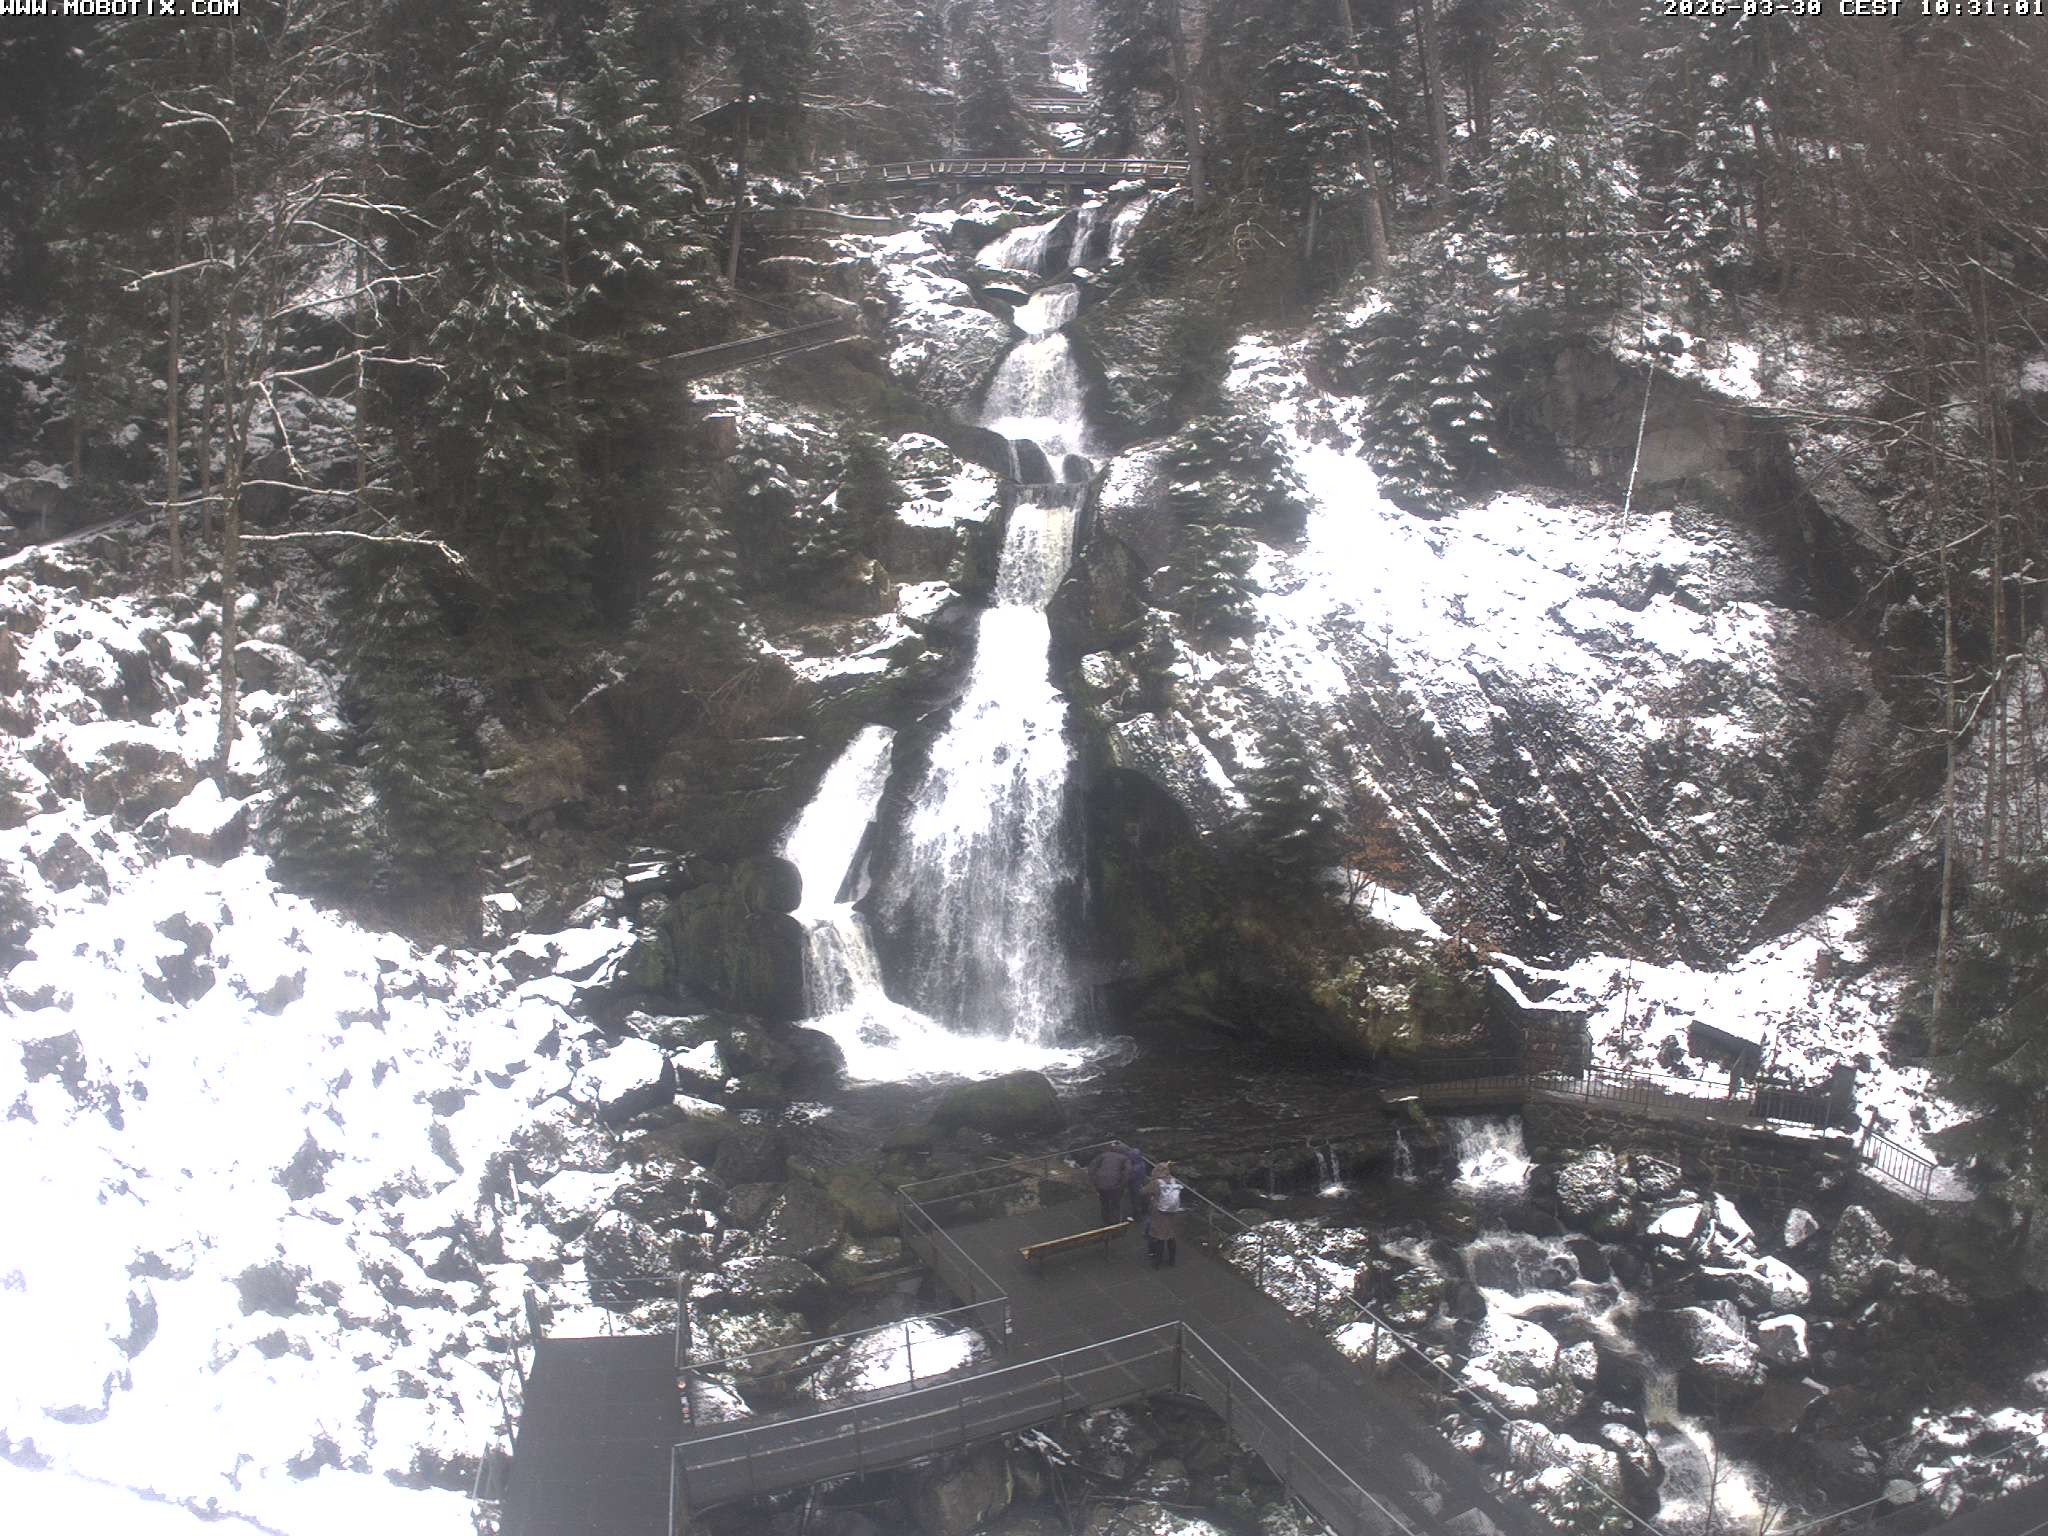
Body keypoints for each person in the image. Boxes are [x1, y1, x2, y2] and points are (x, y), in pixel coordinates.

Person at [1142, 1161, 1184, 1268]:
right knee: (1171, 1236)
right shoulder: (1174, 1180)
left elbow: (1143, 1191)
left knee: (1159, 1237)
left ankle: (1157, 1262)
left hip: (1159, 1213)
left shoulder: (1156, 1183)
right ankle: (1172, 1261)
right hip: (1173, 1212)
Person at [1087, 1142, 1132, 1226]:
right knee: (1115, 1204)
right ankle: (1115, 1223)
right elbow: (1127, 1173)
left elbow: (1092, 1167)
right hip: (1115, 1186)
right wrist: (1122, 1185)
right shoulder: (1125, 1158)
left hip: (1100, 1184)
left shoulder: (1103, 1155)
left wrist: (1094, 1181)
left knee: (1104, 1203)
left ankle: (1105, 1221)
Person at [1124, 1143, 1153, 1222]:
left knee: (1135, 1201)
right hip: (1142, 1183)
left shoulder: (1135, 1167)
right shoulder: (1142, 1163)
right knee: (1144, 1199)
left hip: (1135, 1185)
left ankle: (1137, 1217)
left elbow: (1131, 1177)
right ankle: (1145, 1212)